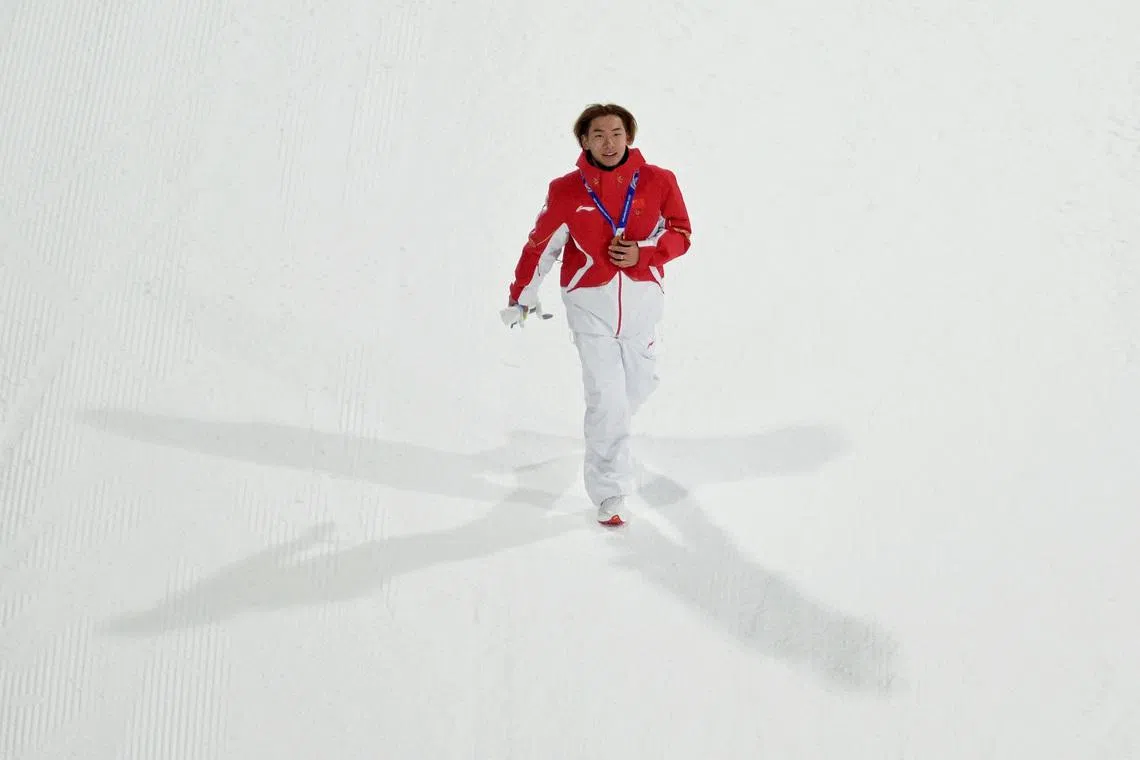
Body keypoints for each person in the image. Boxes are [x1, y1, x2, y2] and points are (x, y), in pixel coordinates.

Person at [501, 103, 693, 526]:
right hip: (590, 307)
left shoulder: (660, 182)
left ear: (630, 136)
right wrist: (522, 296)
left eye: (617, 133)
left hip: (643, 305)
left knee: (638, 387)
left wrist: (644, 254)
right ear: (584, 141)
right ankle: (610, 493)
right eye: (599, 135)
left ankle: (609, 432)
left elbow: (681, 234)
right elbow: (541, 248)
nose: (609, 143)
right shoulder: (567, 191)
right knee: (606, 397)